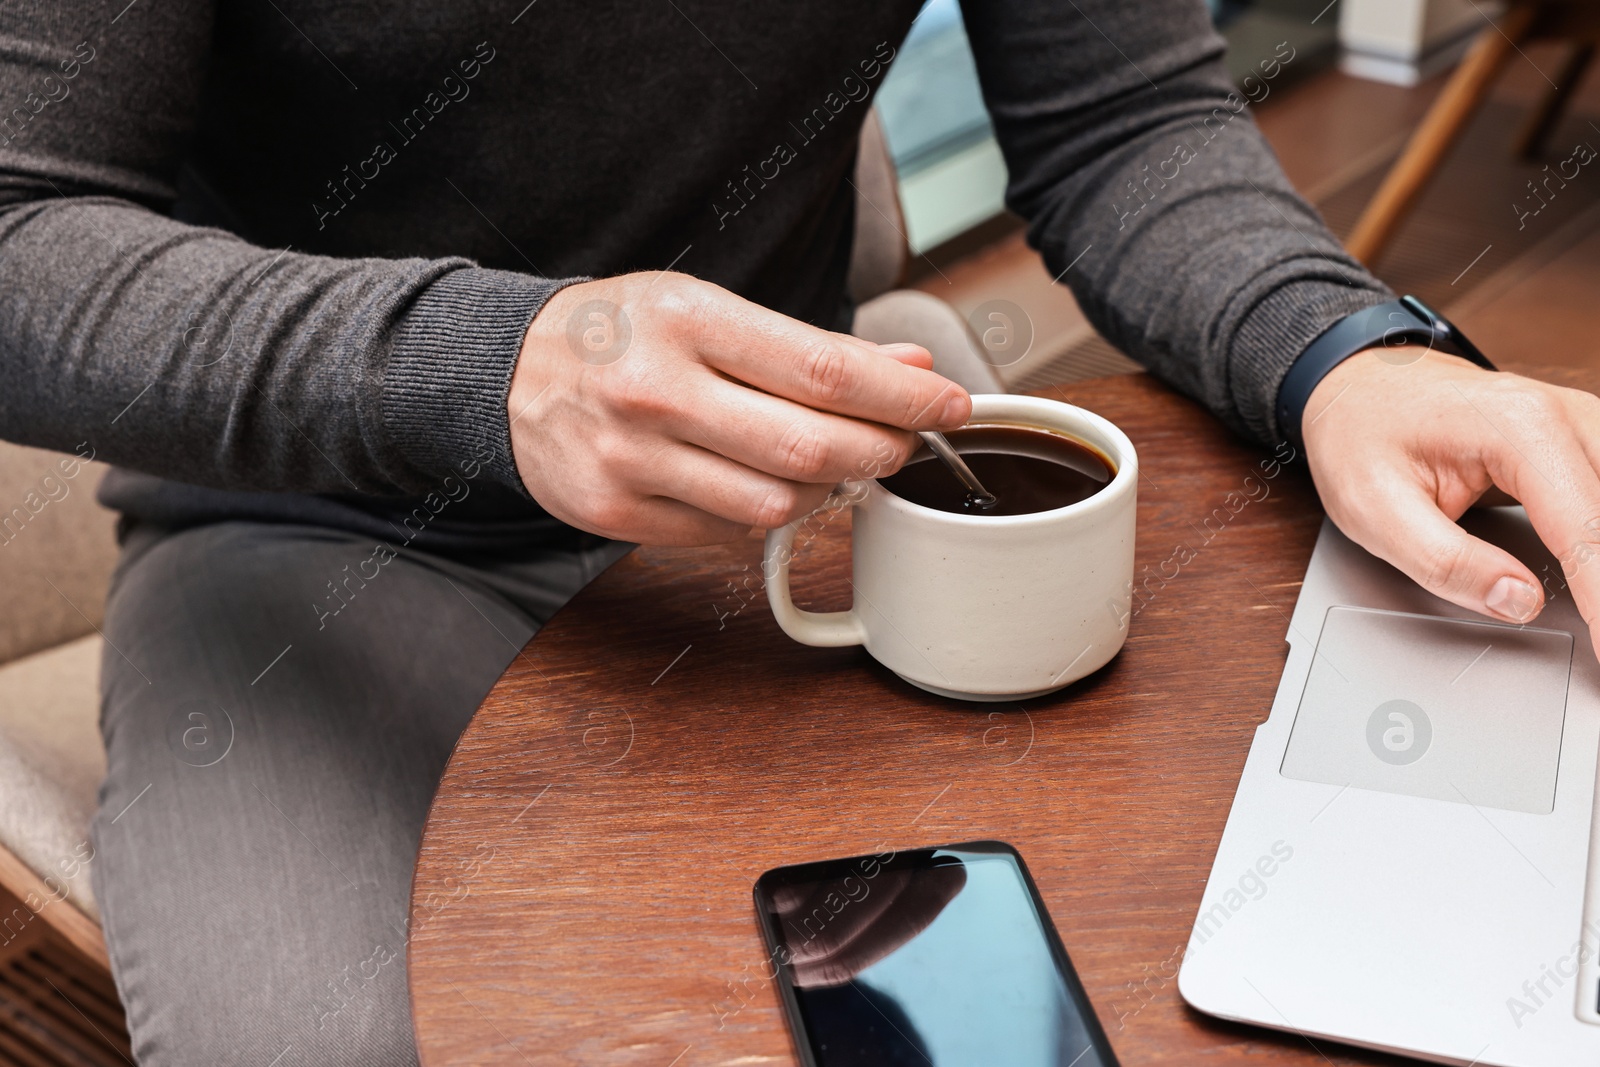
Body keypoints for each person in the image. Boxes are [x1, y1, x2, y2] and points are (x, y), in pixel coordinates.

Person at [0, 0, 1595, 1062]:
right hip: (324, 532)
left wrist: (1339, 351)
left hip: (823, 491)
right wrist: (490, 369)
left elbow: (1124, 122)